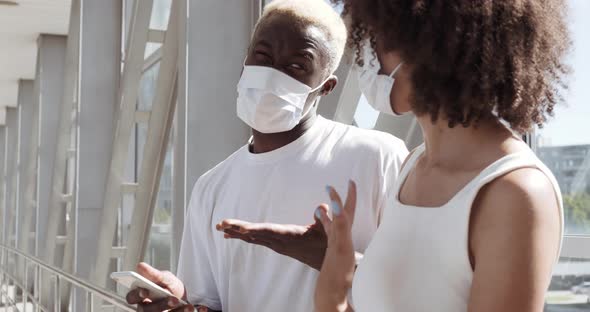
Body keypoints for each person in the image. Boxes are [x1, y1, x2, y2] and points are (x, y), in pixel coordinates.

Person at [125, 0, 408, 311]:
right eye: (262, 56)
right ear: (246, 60)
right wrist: (176, 302)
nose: (272, 73)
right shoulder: (212, 186)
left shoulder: (376, 158)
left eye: (296, 66)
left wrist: (335, 262)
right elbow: (208, 303)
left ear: (325, 87)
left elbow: (419, 284)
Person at [312, 1, 571, 311]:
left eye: (379, 34)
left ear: (430, 41)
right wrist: (334, 291)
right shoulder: (410, 169)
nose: (367, 52)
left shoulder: (516, 193)